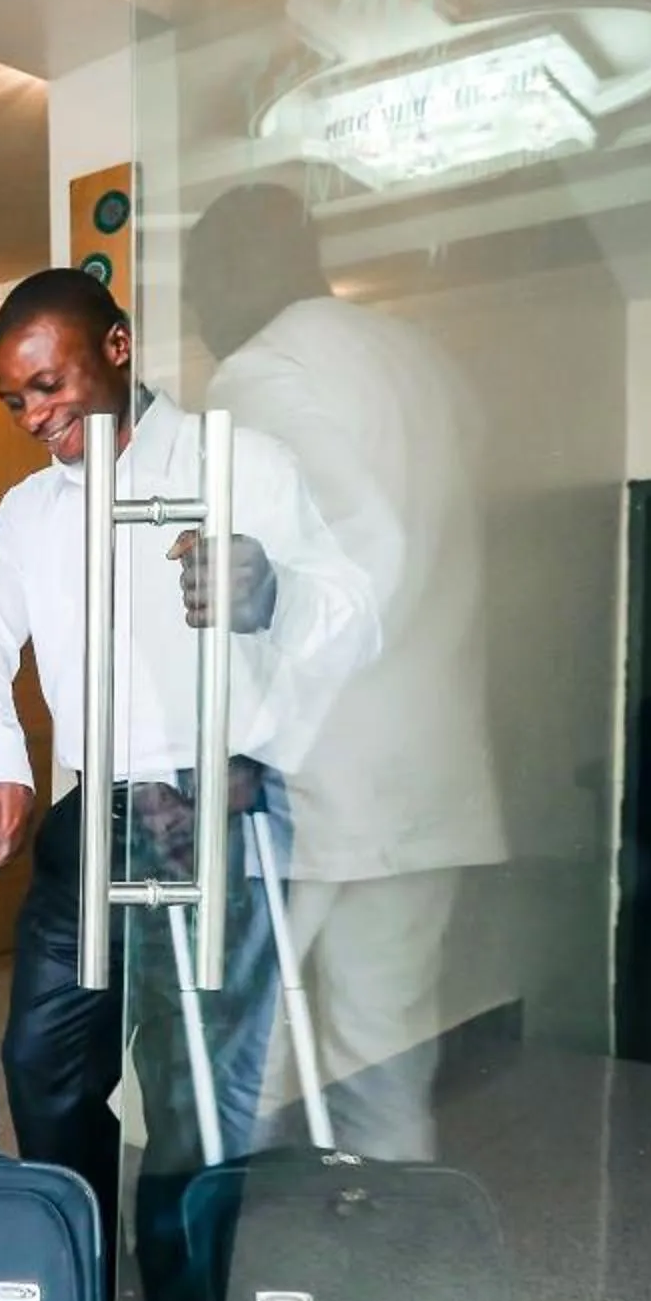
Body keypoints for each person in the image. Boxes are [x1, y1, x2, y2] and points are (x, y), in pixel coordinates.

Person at [0, 269, 375, 1301]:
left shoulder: (241, 465)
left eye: (49, 386)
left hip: (215, 814)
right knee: (43, 1068)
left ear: (118, 348)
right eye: (14, 400)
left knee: (191, 1112)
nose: (34, 416)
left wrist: (272, 592)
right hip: (94, 814)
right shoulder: (29, 512)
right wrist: (1, 769)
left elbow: (357, 613)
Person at [187, 184, 506, 1161]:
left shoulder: (261, 373)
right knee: (385, 1051)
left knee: (248, 1054)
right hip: (430, 767)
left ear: (237, 271)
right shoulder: (429, 367)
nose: (197, 314)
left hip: (315, 776)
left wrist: (246, 742)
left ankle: (237, 1247)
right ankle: (387, 1238)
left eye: (199, 286)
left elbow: (346, 562)